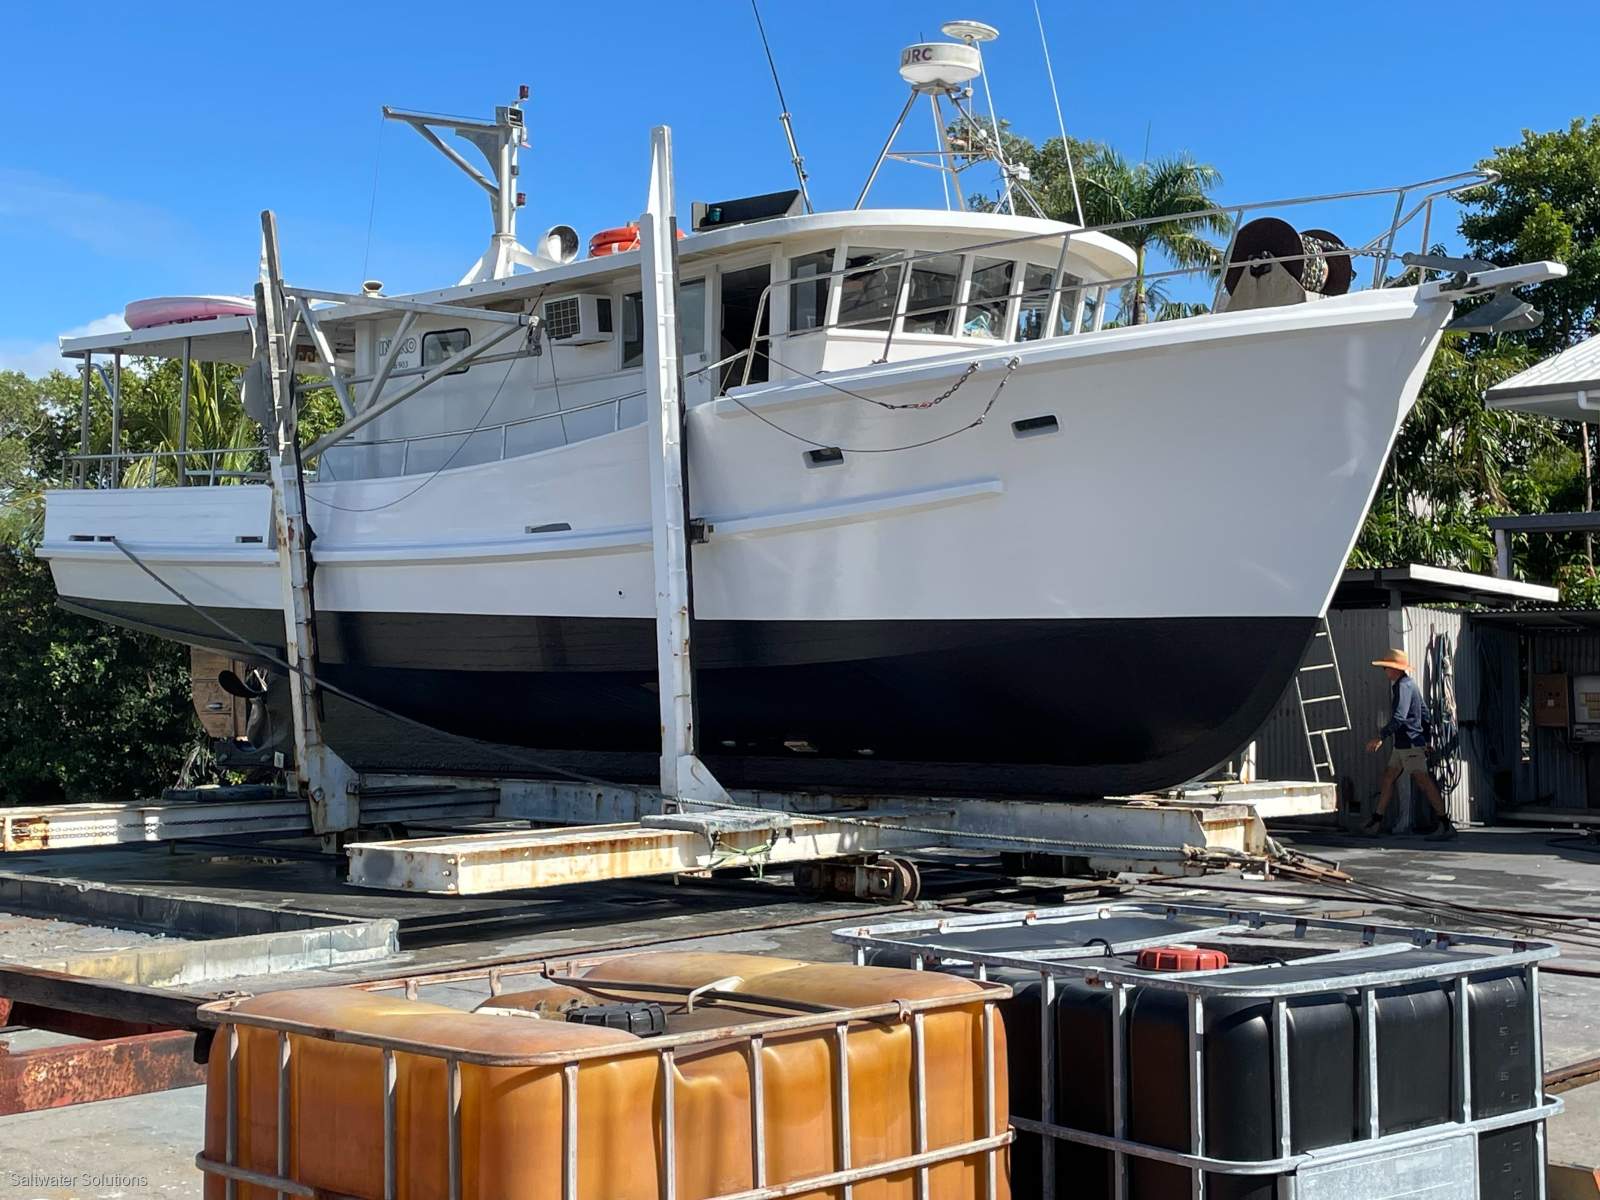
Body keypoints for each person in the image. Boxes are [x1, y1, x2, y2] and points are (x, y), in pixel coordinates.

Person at [1361, 648, 1456, 839]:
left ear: (1395, 669)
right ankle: (1376, 822)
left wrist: (1381, 736)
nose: (1385, 671)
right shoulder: (1408, 685)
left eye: (1387, 667)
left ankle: (1445, 825)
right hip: (1405, 743)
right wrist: (1427, 740)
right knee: (1389, 777)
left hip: (1410, 744)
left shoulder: (1403, 686)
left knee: (1424, 781)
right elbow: (1425, 714)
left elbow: (1399, 717)